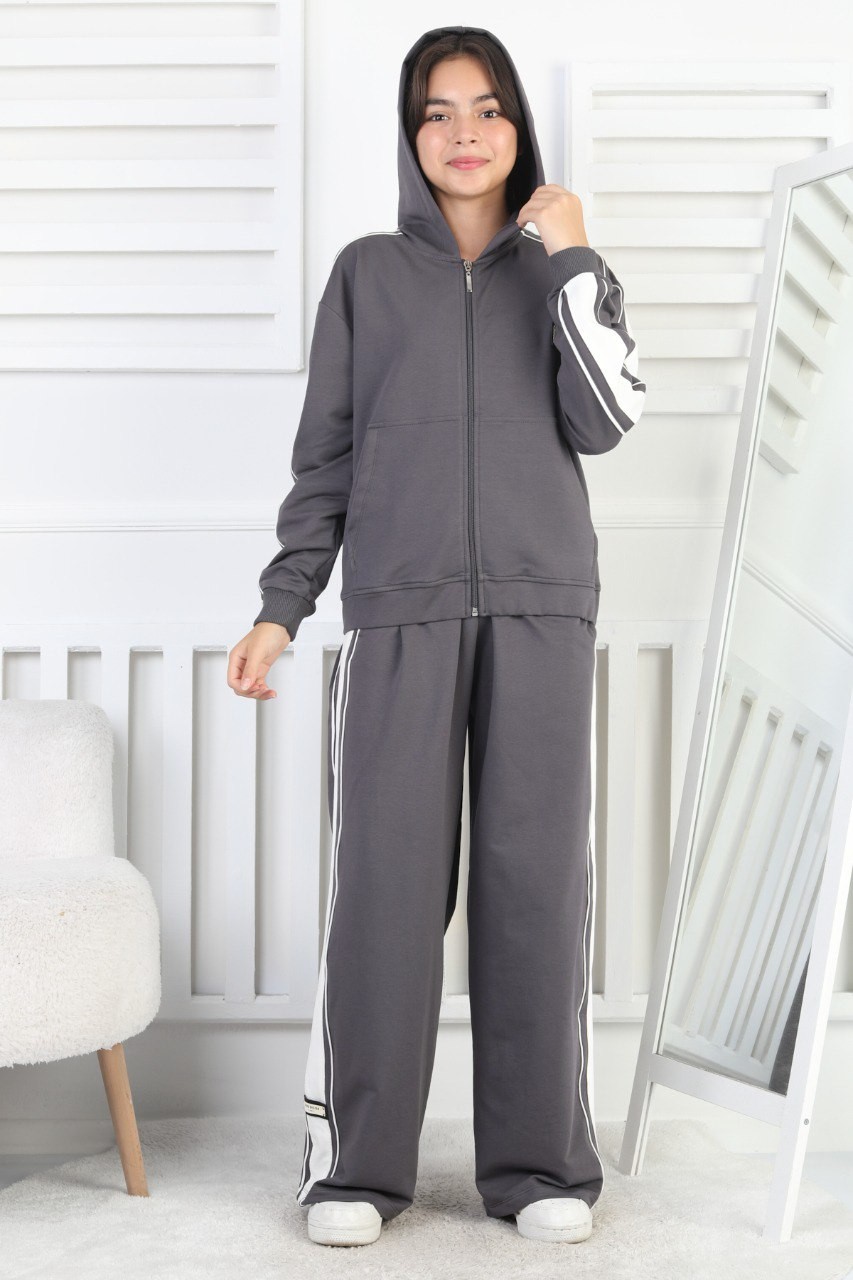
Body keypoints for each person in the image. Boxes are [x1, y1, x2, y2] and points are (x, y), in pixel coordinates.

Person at [227, 24, 645, 1249]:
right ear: (411, 137)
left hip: (541, 605)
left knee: (533, 885)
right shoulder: (366, 274)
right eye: (437, 111)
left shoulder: (563, 272)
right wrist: (282, 604)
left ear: (519, 128)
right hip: (397, 610)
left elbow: (607, 417)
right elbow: (327, 456)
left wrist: (572, 259)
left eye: (487, 108)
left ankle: (541, 1163)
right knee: (384, 889)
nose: (464, 132)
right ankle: (355, 1167)